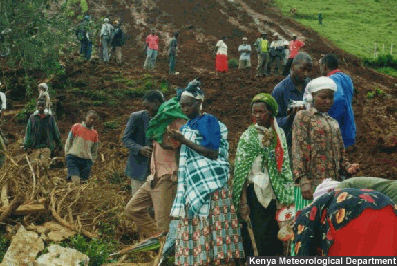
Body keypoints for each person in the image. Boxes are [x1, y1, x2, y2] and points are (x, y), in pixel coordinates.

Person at [167, 83, 244, 265]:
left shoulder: (208, 121)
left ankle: (219, 258)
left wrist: (184, 140)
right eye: (182, 106)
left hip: (211, 185)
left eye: (189, 105)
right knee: (199, 224)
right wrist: (178, 142)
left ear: (199, 103)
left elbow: (213, 153)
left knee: (214, 223)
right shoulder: (188, 125)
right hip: (194, 183)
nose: (185, 109)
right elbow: (186, 154)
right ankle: (203, 258)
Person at [233, 93, 294, 256]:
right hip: (256, 196)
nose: (258, 116)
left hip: (277, 193)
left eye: (262, 112)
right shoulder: (248, 137)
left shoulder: (278, 134)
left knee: (277, 238)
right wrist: (243, 203)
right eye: (255, 112)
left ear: (271, 113)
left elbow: (284, 165)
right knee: (259, 238)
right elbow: (241, 173)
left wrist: (285, 191)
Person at [292, 76, 359, 211]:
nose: (328, 101)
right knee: (309, 221)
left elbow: (340, 154)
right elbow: (297, 149)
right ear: (312, 96)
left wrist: (348, 167)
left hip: (332, 183)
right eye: (323, 97)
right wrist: (302, 179)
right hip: (312, 184)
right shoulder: (304, 117)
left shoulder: (333, 122)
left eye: (331, 98)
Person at [125, 96, 187, 240]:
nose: (147, 111)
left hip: (167, 176)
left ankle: (165, 253)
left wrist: (168, 138)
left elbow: (181, 144)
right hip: (153, 176)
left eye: (149, 107)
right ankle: (159, 240)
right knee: (132, 209)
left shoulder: (176, 121)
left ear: (158, 103)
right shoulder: (157, 124)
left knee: (163, 224)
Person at [293, 180, 397, 256]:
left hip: (352, 216)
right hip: (389, 210)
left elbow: (303, 253)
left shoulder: (303, 219)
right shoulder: (326, 204)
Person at [122, 90, 164, 196]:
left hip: (159, 172)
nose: (147, 110)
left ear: (156, 102)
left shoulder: (166, 119)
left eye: (148, 107)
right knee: (137, 204)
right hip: (139, 169)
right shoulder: (137, 117)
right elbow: (126, 139)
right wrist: (139, 149)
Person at [272, 52, 313, 151]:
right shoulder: (280, 90)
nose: (306, 74)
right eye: (302, 69)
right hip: (289, 143)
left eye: (308, 71)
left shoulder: (311, 86)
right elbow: (273, 121)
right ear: (293, 66)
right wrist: (290, 118)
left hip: (309, 141)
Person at [319, 54, 356, 147]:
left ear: (324, 66)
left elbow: (339, 99)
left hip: (339, 129)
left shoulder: (331, 80)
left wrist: (329, 120)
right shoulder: (346, 78)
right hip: (349, 124)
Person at [24, 97, 63, 166]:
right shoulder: (32, 118)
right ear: (36, 106)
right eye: (39, 105)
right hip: (34, 147)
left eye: (42, 105)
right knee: (34, 166)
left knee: (44, 165)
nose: (40, 107)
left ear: (45, 106)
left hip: (46, 147)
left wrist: (59, 145)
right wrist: (27, 146)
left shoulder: (50, 118)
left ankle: (44, 176)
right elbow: (28, 133)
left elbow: (55, 132)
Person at [64, 110, 99, 183]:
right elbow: (69, 141)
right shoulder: (76, 126)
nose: (92, 120)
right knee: (75, 180)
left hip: (86, 161)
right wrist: (67, 153)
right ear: (86, 117)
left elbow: (94, 150)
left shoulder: (95, 133)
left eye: (94, 119)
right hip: (73, 158)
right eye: (90, 118)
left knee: (83, 183)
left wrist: (92, 161)